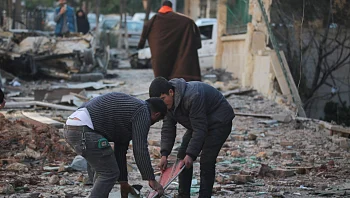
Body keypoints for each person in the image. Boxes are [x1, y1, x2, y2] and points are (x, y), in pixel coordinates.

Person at [63, 93, 166, 198]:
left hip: (71, 128)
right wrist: (151, 179)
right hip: (84, 130)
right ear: (157, 115)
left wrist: (123, 182)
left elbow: (120, 149)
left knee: (102, 169)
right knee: (109, 173)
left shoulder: (130, 111)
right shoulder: (143, 111)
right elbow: (140, 148)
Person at [149, 77, 235, 198]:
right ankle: (183, 195)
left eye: (163, 99)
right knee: (181, 158)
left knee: (206, 160)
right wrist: (164, 154)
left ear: (171, 92)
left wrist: (191, 154)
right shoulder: (166, 105)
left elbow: (200, 129)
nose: (162, 103)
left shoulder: (193, 96)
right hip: (198, 123)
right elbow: (168, 128)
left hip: (219, 122)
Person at [138, 1, 202, 82]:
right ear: (170, 7)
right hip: (173, 55)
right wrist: (197, 43)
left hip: (159, 55)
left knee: (161, 80)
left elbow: (145, 30)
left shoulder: (154, 19)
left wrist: (141, 44)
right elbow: (190, 22)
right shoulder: (181, 19)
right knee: (174, 76)